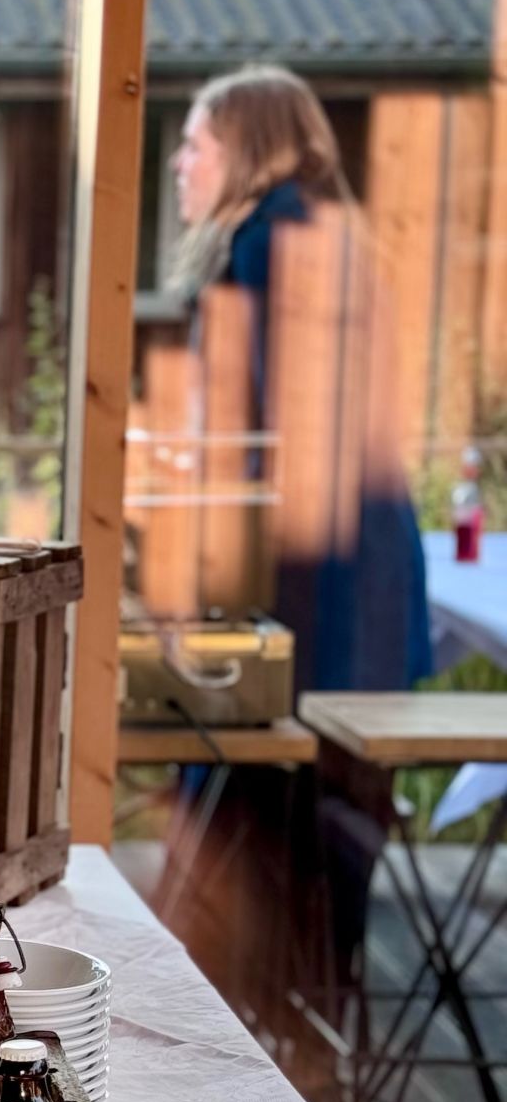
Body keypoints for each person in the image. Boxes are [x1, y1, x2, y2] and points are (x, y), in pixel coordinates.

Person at [169, 63, 432, 693]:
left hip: (328, 571)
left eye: (195, 146)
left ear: (246, 154)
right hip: (352, 556)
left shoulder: (276, 245)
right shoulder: (306, 232)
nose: (179, 163)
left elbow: (289, 430)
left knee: (305, 744)